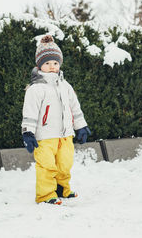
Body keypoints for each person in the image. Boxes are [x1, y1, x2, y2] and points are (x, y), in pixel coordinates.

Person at [21, 35, 91, 205]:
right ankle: (45, 195)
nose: (52, 67)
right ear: (39, 65)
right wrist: (28, 132)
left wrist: (81, 126)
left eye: (55, 63)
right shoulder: (35, 89)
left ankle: (61, 188)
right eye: (47, 63)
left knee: (65, 164)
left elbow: (75, 107)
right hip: (44, 137)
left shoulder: (66, 86)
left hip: (65, 134)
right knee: (46, 166)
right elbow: (29, 112)